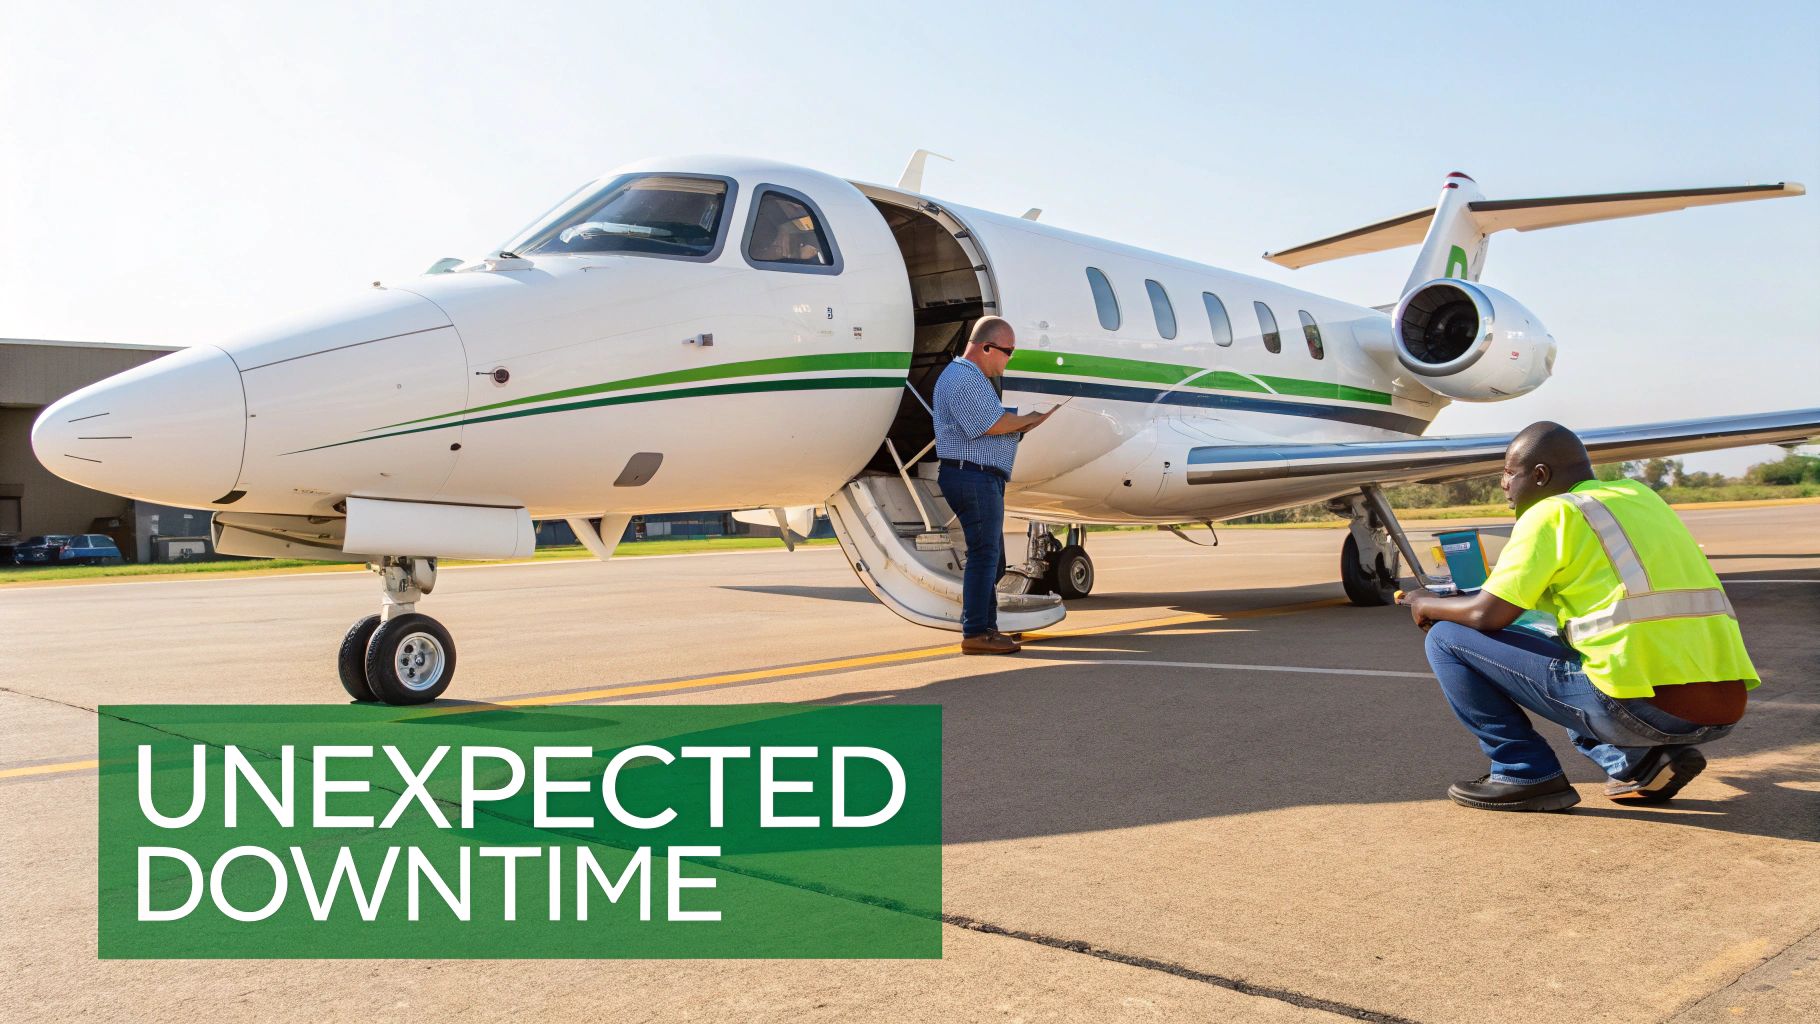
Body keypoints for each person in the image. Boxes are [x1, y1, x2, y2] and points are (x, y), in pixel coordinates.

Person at [1400, 422, 1757, 812]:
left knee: (1447, 638)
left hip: (1642, 711)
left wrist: (1424, 603)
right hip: (1725, 706)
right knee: (1565, 650)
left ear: (1540, 475)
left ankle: (1523, 772)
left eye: (1508, 471)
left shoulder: (1550, 514)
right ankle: (1639, 762)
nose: (1502, 483)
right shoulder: (1640, 496)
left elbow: (1486, 615)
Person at [932, 317, 1059, 655]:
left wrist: (1022, 425)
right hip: (972, 476)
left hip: (978, 476)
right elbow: (990, 424)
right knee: (984, 556)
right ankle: (976, 632)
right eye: (1008, 352)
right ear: (986, 348)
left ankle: (986, 628)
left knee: (991, 557)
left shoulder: (973, 379)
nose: (1008, 360)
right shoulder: (963, 378)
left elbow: (997, 425)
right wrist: (1030, 419)